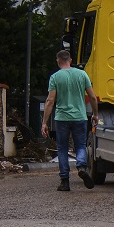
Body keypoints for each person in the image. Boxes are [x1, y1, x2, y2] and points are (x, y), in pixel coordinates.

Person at [41, 49, 99, 191]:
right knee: (80, 146)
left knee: (62, 149)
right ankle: (81, 166)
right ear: (71, 60)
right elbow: (92, 96)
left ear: (58, 61)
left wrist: (44, 122)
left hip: (62, 118)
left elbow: (50, 100)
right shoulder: (82, 74)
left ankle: (65, 182)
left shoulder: (55, 77)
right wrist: (95, 114)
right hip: (79, 117)